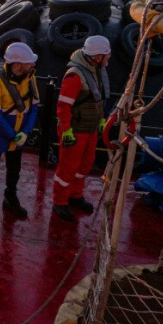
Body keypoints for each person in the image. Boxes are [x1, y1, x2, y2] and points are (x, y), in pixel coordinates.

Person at [0, 42, 40, 227]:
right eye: (28, 62)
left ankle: (10, 198)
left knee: (14, 169)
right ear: (17, 65)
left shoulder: (30, 78)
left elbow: (34, 108)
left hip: (19, 135)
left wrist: (25, 132)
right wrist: (13, 135)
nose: (32, 65)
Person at [52, 36, 111, 222]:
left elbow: (98, 100)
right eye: (106, 55)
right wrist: (67, 131)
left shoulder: (97, 71)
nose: (108, 58)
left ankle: (75, 195)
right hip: (75, 130)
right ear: (97, 56)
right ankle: (59, 201)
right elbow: (63, 107)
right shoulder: (75, 76)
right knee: (68, 167)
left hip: (90, 128)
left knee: (85, 163)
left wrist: (101, 121)